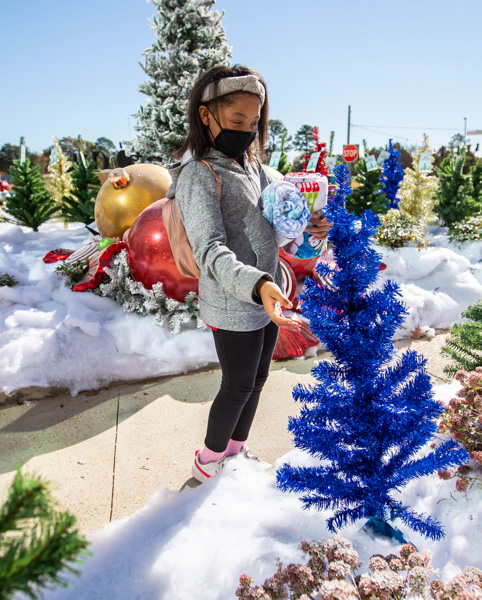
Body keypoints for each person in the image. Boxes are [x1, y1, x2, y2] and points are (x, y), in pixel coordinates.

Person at [167, 64, 331, 483]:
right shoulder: (198, 175)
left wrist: (309, 234)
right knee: (237, 385)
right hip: (234, 300)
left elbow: (275, 233)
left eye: (254, 122)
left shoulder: (257, 170)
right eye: (237, 120)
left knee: (257, 380)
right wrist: (258, 284)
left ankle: (234, 455)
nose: (247, 129)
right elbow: (209, 250)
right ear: (207, 116)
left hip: (267, 299)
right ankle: (207, 465)